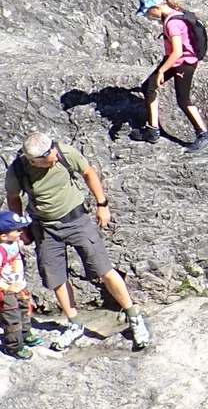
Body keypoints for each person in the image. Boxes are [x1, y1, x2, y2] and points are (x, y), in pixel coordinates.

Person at [5, 133, 151, 352]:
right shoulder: (18, 170)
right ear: (33, 161)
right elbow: (13, 197)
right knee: (56, 278)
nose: (54, 155)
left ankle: (133, 316)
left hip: (77, 220)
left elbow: (87, 172)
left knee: (104, 269)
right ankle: (74, 324)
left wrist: (103, 204)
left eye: (53, 149)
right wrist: (21, 227)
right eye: (47, 155)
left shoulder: (65, 153)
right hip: (45, 228)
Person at [134, 0, 208, 152]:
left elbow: (177, 51)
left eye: (149, 12)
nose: (149, 16)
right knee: (148, 86)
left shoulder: (172, 23)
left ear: (156, 7)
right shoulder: (171, 15)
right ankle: (153, 130)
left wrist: (162, 71)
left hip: (184, 63)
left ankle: (203, 134)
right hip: (174, 60)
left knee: (183, 100)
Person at [0, 210, 36, 360]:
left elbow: (25, 240)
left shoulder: (14, 242)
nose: (21, 232)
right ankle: (14, 346)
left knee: (25, 309)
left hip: (19, 285)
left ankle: (25, 333)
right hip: (6, 290)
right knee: (12, 317)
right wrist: (7, 287)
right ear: (3, 235)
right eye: (17, 230)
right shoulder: (1, 251)